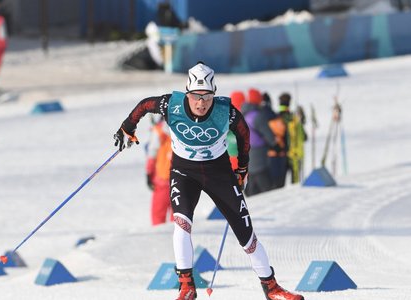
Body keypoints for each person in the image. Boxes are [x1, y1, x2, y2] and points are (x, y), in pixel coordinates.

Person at [113, 62, 304, 300]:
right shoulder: (171, 104)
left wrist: (242, 167)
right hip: (184, 173)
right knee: (181, 223)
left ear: (214, 94)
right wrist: (128, 127)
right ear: (188, 93)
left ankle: (271, 287)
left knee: (246, 234)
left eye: (207, 96)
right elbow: (144, 106)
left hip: (219, 172)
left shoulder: (227, 111)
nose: (201, 103)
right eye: (196, 96)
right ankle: (186, 286)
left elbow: (244, 135)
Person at [241, 88, 279, 196]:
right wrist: (275, 144)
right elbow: (268, 134)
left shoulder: (244, 114)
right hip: (259, 154)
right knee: (266, 187)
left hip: (248, 152)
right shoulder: (257, 116)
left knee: (252, 185)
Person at [145, 117, 174, 226]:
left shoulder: (159, 130)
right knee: (175, 215)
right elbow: (152, 153)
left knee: (160, 216)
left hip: (167, 180)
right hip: (170, 180)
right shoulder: (160, 131)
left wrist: (149, 173)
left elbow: (152, 153)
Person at [278, 93, 308, 184]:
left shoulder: (275, 117)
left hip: (279, 155)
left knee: (279, 186)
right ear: (289, 103)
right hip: (294, 156)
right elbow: (304, 137)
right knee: (295, 184)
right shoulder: (294, 119)